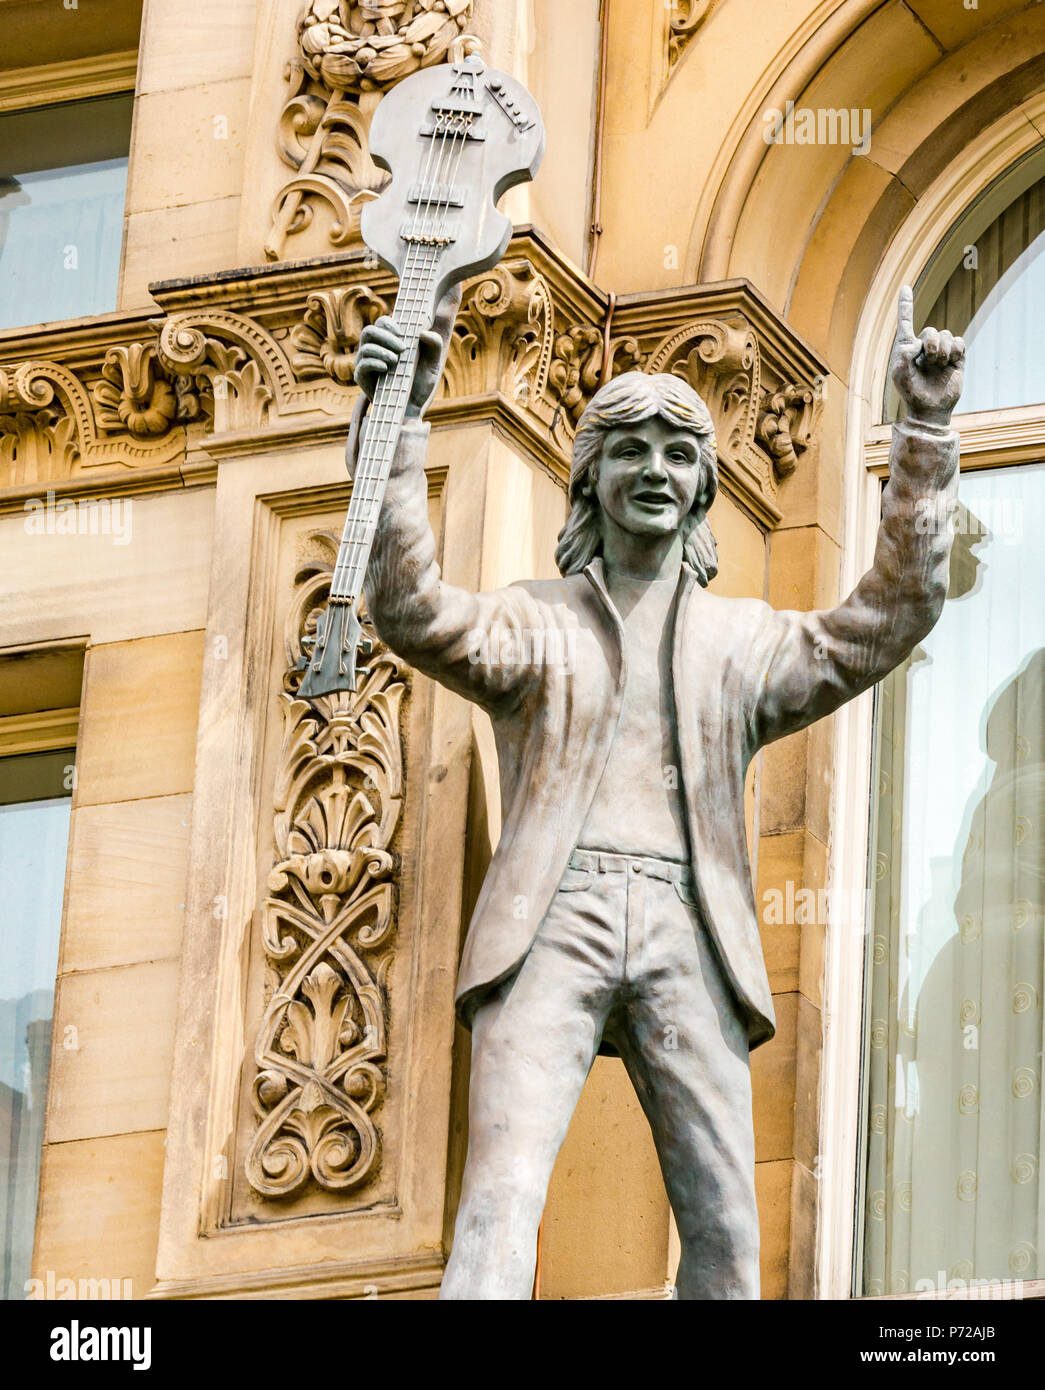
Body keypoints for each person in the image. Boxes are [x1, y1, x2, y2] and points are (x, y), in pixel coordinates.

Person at [348, 286, 965, 1298]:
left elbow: (890, 615)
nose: (655, 471)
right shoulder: (533, 623)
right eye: (630, 450)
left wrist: (925, 433)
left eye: (679, 456)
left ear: (701, 490)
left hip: (688, 927)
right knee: (499, 1200)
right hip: (552, 922)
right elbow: (410, 609)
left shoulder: (744, 643)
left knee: (724, 1226)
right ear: (591, 477)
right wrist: (398, 424)